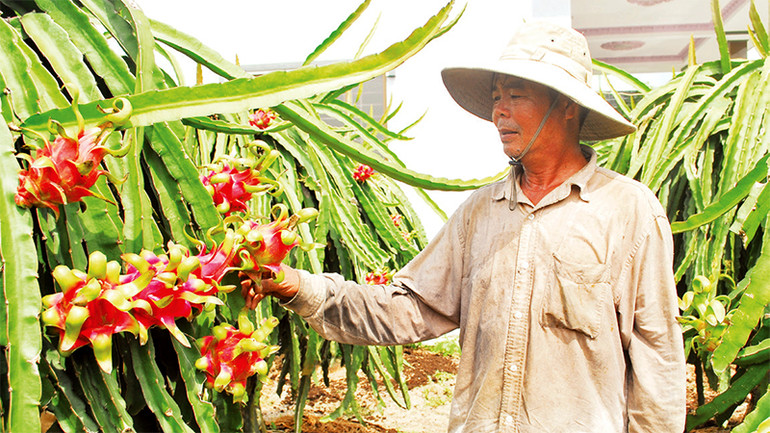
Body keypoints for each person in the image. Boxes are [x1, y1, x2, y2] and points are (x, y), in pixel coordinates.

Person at [241, 20, 686, 433]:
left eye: (516, 95)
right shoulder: (480, 213)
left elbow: (657, 355)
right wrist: (297, 285)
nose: (499, 113)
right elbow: (408, 308)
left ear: (566, 106)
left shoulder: (628, 211)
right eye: (496, 97)